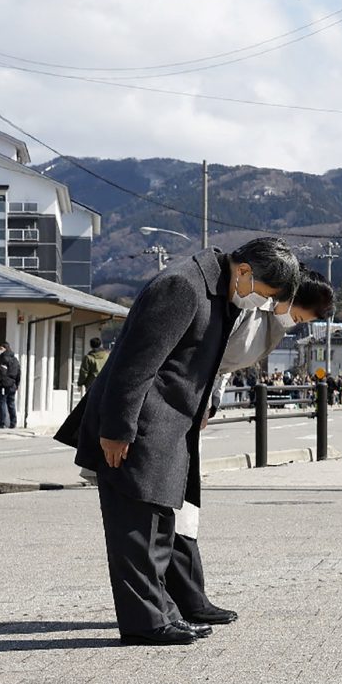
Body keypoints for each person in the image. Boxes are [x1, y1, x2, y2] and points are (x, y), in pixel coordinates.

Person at [67, 237, 300, 647]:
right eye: (261, 294)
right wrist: (117, 429)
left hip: (169, 426)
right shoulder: (183, 285)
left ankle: (163, 614)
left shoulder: (217, 290)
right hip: (139, 425)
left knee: (158, 528)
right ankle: (146, 623)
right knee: (135, 531)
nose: (258, 304)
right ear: (243, 270)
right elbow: (135, 361)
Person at [165, 272, 336, 626]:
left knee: (185, 506)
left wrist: (210, 403)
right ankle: (182, 599)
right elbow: (214, 355)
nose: (295, 324)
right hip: (174, 404)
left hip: (194, 405)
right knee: (175, 505)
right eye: (299, 317)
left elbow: (224, 368)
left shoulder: (265, 321)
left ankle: (185, 597)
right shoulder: (246, 308)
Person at [0, 341, 20, 428]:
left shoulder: (4, 358)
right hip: (13, 384)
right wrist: (17, 384)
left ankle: (2, 423)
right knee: (11, 404)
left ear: (5, 348)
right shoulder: (15, 360)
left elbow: (1, 372)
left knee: (2, 403)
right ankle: (13, 423)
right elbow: (19, 373)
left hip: (4, 385)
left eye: (0, 348)